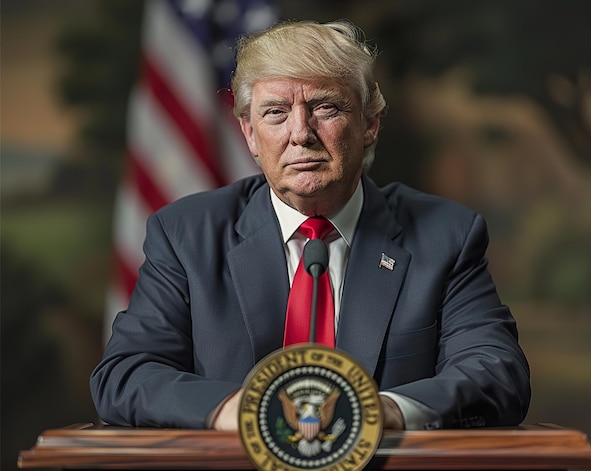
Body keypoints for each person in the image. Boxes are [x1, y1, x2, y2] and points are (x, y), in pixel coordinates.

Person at [90, 19, 530, 431]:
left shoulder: (445, 235)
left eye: (325, 107)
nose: (300, 133)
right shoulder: (185, 234)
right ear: (249, 134)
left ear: (370, 124)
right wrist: (244, 411)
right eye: (276, 113)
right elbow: (126, 374)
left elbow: (496, 370)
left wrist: (384, 410)